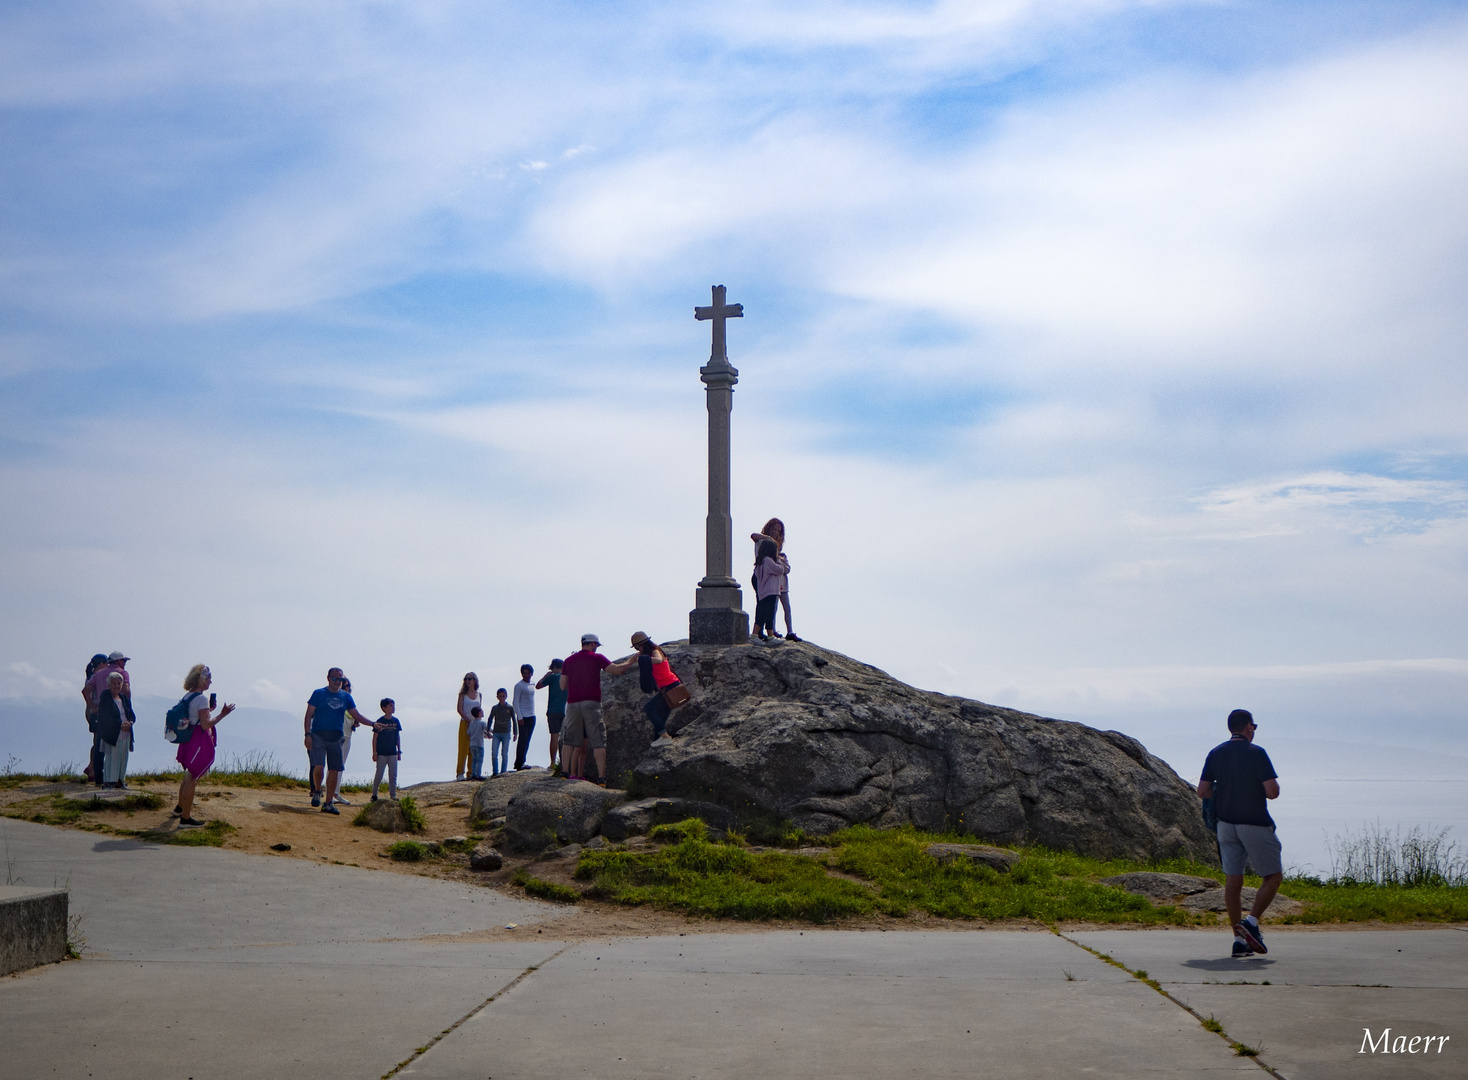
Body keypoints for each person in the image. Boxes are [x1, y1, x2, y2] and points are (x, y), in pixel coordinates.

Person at [1198, 709, 1283, 957]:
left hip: (1225, 824)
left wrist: (1226, 792)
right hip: (1254, 823)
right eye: (1253, 726)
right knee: (1273, 876)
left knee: (1233, 882)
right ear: (1248, 728)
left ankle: (1238, 940)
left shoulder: (1216, 753)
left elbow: (1202, 791)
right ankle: (1251, 923)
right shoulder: (1257, 754)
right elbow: (1272, 792)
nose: (1254, 730)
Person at [560, 634, 636, 784]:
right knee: (598, 741)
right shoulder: (597, 658)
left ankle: (564, 773)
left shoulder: (568, 661)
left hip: (573, 704)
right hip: (591, 703)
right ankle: (601, 778)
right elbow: (617, 670)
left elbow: (562, 685)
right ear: (593, 644)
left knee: (569, 740)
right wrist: (631, 661)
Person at [303, 667, 375, 815]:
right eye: (335, 679)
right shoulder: (318, 693)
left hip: (336, 737)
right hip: (318, 735)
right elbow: (309, 714)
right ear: (328, 678)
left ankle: (328, 802)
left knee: (334, 770)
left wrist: (374, 724)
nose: (338, 682)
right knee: (319, 766)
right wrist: (307, 734)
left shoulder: (346, 697)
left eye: (340, 679)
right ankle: (317, 790)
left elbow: (357, 715)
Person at [174, 664, 235, 827]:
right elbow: (206, 724)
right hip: (197, 740)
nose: (210, 682)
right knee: (192, 777)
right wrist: (222, 714)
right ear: (202, 680)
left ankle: (180, 808)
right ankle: (185, 818)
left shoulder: (188, 696)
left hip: (187, 739)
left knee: (188, 775)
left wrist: (209, 709)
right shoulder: (201, 699)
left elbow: (197, 716)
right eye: (209, 678)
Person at [82, 651, 131, 786]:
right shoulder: (122, 673)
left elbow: (86, 690)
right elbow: (126, 689)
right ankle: (116, 779)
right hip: (116, 712)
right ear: (118, 661)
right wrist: (127, 707)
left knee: (99, 744)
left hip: (100, 713)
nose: (124, 664)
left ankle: (99, 776)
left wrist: (93, 706)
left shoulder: (98, 674)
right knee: (118, 745)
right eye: (124, 661)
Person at [631, 631, 682, 747]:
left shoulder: (655, 651)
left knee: (649, 708)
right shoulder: (652, 652)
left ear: (642, 645)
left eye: (637, 648)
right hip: (669, 686)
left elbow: (658, 660)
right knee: (661, 715)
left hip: (670, 686)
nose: (638, 650)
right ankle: (659, 738)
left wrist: (643, 659)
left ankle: (665, 737)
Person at [751, 518, 799, 641]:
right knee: (764, 605)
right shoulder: (762, 541)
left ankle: (774, 631)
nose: (776, 532)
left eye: (778, 531)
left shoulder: (779, 554)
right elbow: (753, 535)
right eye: (774, 529)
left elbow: (785, 569)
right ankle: (761, 632)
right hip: (762, 576)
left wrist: (779, 561)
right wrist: (767, 538)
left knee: (774, 606)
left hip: (775, 580)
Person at [95, 671, 137, 789]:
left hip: (126, 733)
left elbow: (132, 714)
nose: (117, 686)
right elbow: (105, 716)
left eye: (119, 683)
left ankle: (120, 781)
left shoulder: (124, 698)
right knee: (111, 758)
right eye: (114, 683)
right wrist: (119, 725)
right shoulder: (105, 698)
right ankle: (109, 782)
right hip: (112, 734)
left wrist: (130, 723)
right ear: (109, 684)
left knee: (123, 757)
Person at [80, 653, 108, 785]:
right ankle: (92, 768)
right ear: (101, 664)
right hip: (95, 710)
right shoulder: (96, 677)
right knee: (98, 741)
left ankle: (91, 767)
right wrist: (95, 707)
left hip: (90, 711)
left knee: (96, 740)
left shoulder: (90, 677)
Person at [332, 675, 360, 806]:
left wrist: (355, 723)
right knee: (334, 765)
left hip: (348, 736)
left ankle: (336, 792)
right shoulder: (337, 699)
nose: (348, 688)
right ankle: (331, 793)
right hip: (338, 735)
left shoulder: (349, 701)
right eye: (346, 686)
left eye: (349, 686)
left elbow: (353, 717)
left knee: (340, 766)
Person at [752, 538, 786, 642]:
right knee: (769, 613)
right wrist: (779, 560)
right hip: (770, 591)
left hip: (764, 591)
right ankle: (766, 635)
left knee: (763, 613)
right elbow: (779, 570)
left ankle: (758, 635)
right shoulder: (768, 560)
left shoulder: (761, 561)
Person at [370, 698, 401, 801]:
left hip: (393, 752)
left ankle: (393, 795)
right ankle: (374, 794)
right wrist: (374, 752)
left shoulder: (396, 721)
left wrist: (399, 751)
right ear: (384, 708)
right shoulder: (380, 721)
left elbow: (397, 736)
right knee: (379, 774)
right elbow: (375, 738)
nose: (393, 708)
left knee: (393, 775)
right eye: (390, 706)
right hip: (381, 753)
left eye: (393, 706)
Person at [456, 673, 482, 781]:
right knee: (463, 748)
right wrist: (468, 720)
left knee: (473, 748)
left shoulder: (479, 694)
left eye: (470, 679)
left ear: (475, 680)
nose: (467, 681)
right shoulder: (463, 694)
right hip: (465, 723)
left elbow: (479, 709)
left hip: (476, 724)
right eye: (466, 679)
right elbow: (459, 709)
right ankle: (460, 773)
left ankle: (471, 772)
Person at [512, 665, 537, 770]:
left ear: (531, 673)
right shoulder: (519, 686)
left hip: (532, 715)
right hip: (523, 716)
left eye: (528, 673)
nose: (526, 675)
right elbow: (515, 702)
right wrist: (520, 716)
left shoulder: (532, 684)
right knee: (522, 740)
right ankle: (519, 763)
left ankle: (523, 760)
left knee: (527, 740)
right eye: (524, 673)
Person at [488, 689, 516, 777]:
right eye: (500, 696)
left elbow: (514, 721)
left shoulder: (510, 708)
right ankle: (495, 772)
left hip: (506, 733)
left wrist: (516, 733)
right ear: (497, 697)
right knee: (494, 753)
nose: (502, 698)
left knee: (504, 753)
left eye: (503, 696)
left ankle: (503, 771)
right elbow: (490, 719)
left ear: (506, 696)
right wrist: (488, 730)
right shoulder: (495, 708)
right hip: (496, 733)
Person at [466, 706, 487, 781]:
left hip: (472, 744)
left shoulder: (471, 723)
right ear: (479, 713)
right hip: (479, 744)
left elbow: (468, 732)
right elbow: (488, 729)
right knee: (480, 760)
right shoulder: (482, 722)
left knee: (474, 759)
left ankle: (473, 774)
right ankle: (478, 774)